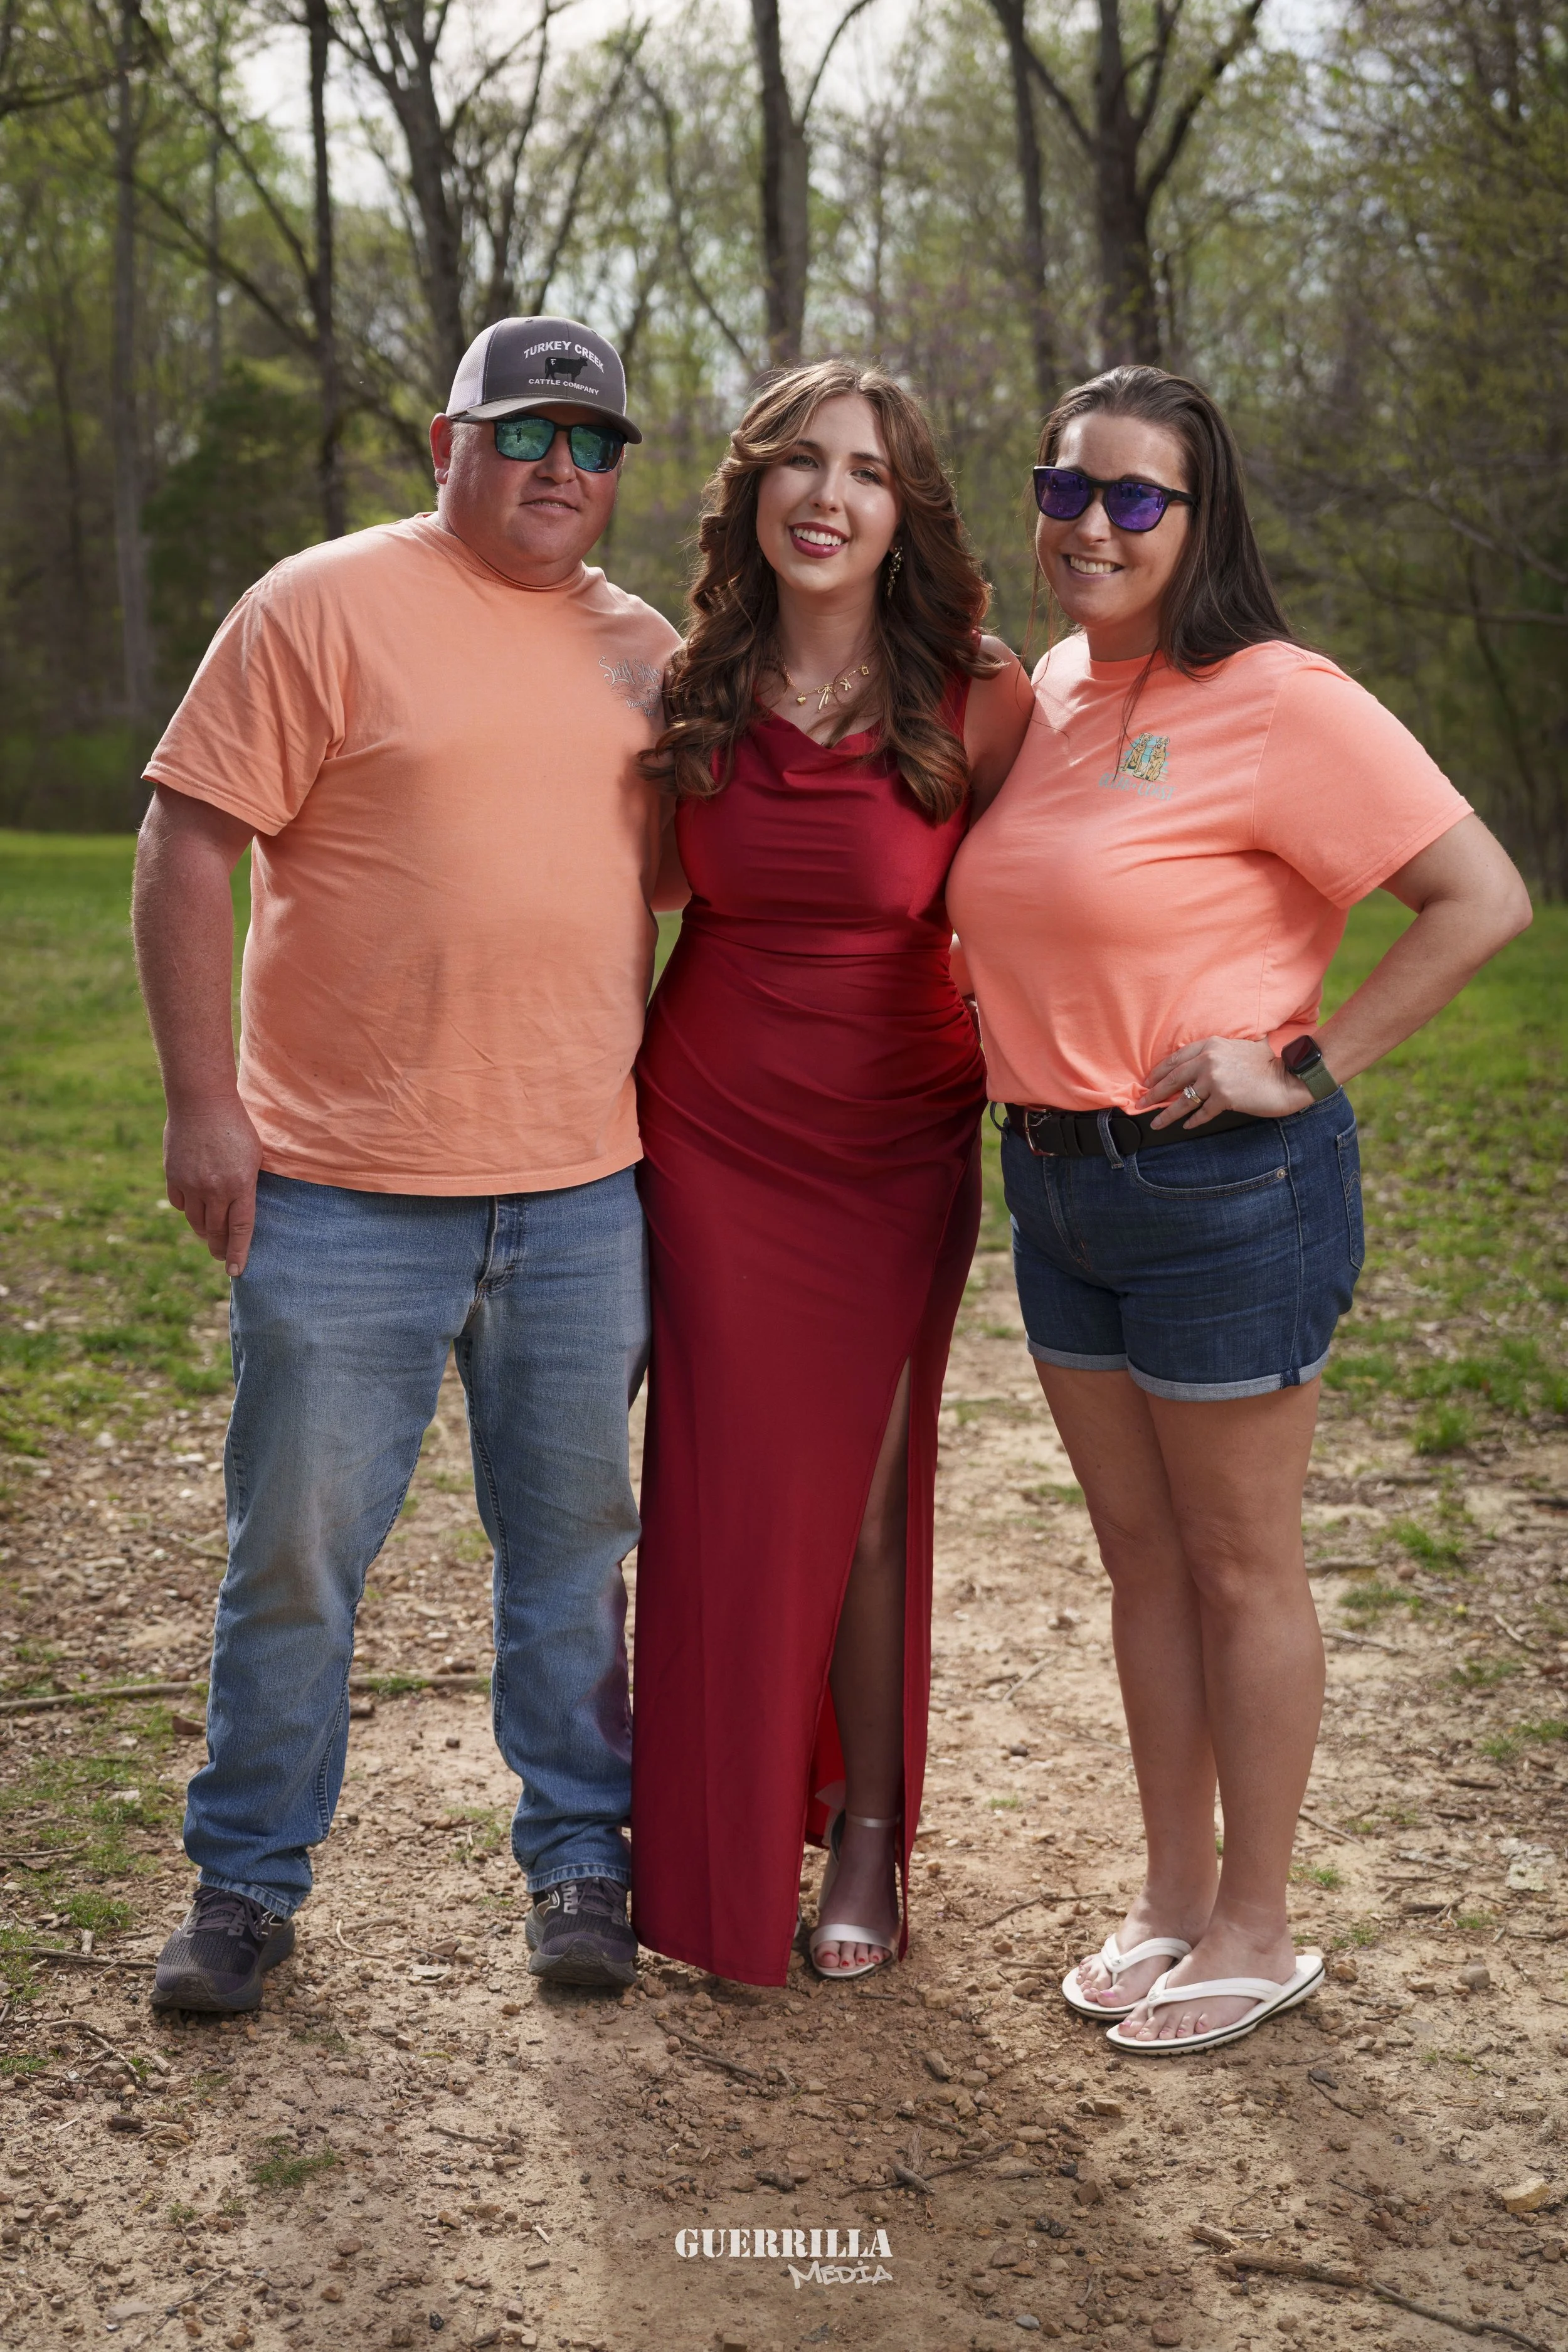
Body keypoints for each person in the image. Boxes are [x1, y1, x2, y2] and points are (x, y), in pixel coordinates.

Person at [946, 364, 1531, 2053]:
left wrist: (1308, 1056)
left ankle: (1258, 1921)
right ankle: (1168, 1893)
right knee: (1137, 1561)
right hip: (1052, 1179)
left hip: (1221, 1188)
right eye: (1067, 490)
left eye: (1136, 498)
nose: (1092, 525)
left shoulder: (1280, 700)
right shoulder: (1050, 685)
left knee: (1233, 1559)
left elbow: (1479, 892)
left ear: (1199, 522)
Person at [132, 316, 680, 2011]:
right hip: (337, 1191)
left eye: (594, 443)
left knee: (577, 1542)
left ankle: (583, 1859)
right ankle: (245, 1884)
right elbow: (187, 840)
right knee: (294, 1546)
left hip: (583, 1190)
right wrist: (200, 1099)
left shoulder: (646, 649)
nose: (560, 469)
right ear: (446, 440)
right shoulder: (318, 603)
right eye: (528, 431)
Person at [628, 361, 1034, 1987]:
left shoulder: (976, 693)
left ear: (901, 511)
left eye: (864, 471)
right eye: (798, 462)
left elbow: (1050, 896)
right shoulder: (686, 682)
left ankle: (865, 1821)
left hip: (889, 1133)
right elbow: (627, 898)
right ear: (753, 495)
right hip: (710, 1117)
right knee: (722, 1489)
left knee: (865, 1496)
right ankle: (711, 1850)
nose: (828, 493)